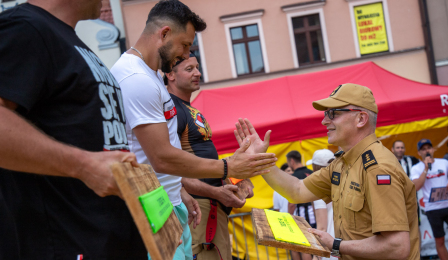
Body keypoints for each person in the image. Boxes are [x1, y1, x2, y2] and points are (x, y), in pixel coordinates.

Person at [110, 1, 276, 259]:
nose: (187, 55)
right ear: (164, 34)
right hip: (153, 208)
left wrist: (180, 192)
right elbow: (162, 157)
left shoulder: (150, 74)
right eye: (185, 46)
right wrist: (228, 167)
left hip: (169, 202)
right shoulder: (136, 79)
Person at [0, 1, 147, 259]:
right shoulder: (25, 27)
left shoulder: (64, 37)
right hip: (63, 244)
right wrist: (83, 165)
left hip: (104, 240)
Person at [234, 83, 420, 260]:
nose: (324, 121)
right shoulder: (343, 162)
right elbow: (297, 190)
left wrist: (336, 245)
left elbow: (397, 246)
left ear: (361, 119)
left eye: (333, 113)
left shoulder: (378, 167)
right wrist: (258, 159)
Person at [164, 53, 254, 260]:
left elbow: (205, 162)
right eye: (189, 69)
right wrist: (215, 192)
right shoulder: (171, 110)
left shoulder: (188, 108)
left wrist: (236, 181)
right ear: (170, 74)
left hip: (210, 207)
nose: (198, 73)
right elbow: (168, 168)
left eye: (197, 67)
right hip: (197, 209)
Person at [410, 139, 448, 260]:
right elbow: (416, 187)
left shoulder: (444, 163)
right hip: (433, 209)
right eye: (424, 149)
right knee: (440, 240)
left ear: (433, 149)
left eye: (429, 148)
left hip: (447, 205)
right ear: (419, 153)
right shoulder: (416, 168)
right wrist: (426, 168)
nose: (427, 150)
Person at [308, 149, 336, 260]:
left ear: (316, 168)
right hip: (342, 244)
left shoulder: (319, 189)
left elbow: (322, 228)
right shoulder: (339, 182)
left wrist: (316, 255)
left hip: (329, 248)